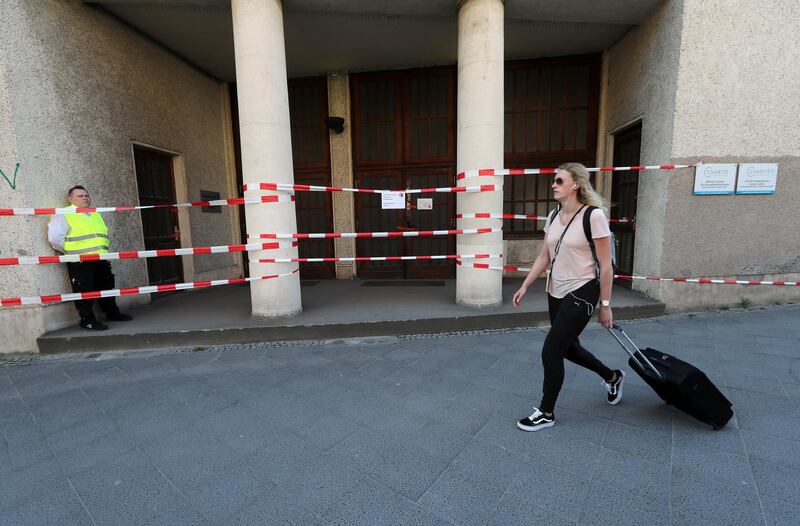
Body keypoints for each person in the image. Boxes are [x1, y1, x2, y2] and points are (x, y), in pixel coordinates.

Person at [512, 163, 624, 431]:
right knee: (569, 348)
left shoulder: (593, 216)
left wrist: (605, 305)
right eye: (554, 180)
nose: (554, 184)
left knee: (551, 351)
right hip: (556, 289)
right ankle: (612, 377)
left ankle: (546, 412)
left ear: (575, 184)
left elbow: (606, 265)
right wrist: (526, 285)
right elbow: (545, 255)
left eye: (559, 180)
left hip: (582, 291)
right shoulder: (552, 215)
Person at [47, 186, 132, 331]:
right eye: (80, 196)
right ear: (70, 199)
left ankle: (112, 313)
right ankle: (87, 321)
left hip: (100, 258)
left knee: (107, 286)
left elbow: (101, 236)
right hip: (80, 260)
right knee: (84, 290)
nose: (85, 198)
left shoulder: (94, 213)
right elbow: (55, 238)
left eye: (86, 195)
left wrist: (105, 254)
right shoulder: (64, 214)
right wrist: (71, 250)